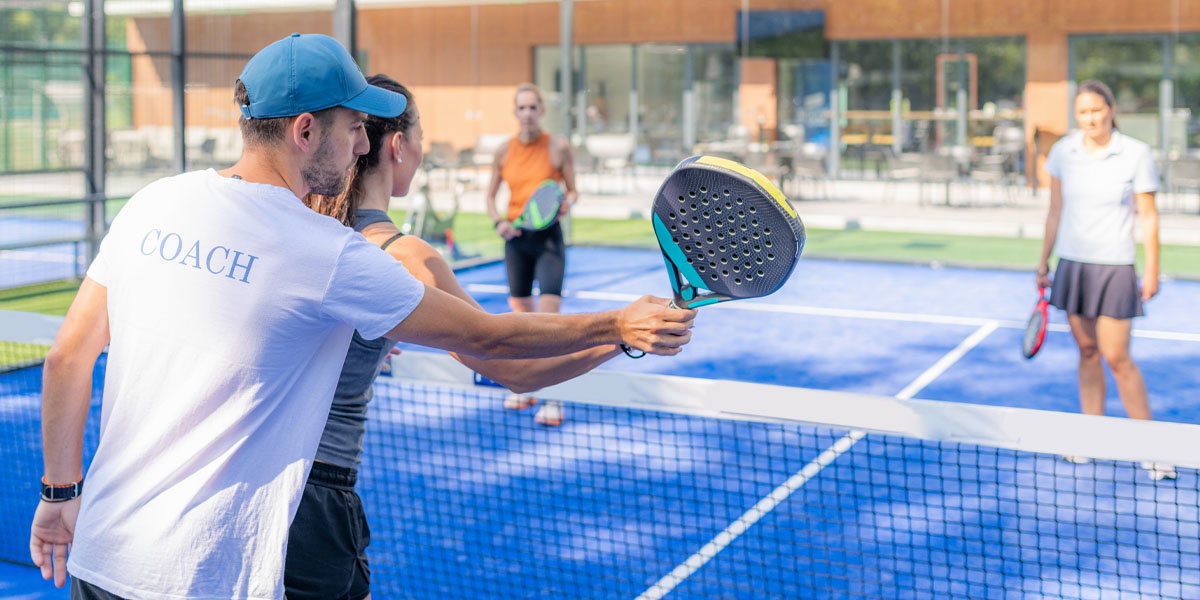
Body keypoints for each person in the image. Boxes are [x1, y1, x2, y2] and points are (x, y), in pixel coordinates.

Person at [29, 34, 696, 599]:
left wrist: (60, 494)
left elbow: (67, 357)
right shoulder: (328, 254)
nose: (360, 146)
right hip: (203, 570)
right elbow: (487, 338)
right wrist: (618, 326)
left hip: (102, 551)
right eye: (353, 127)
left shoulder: (156, 202)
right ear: (305, 130)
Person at [287, 74, 626, 600]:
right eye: (420, 136)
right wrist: (623, 332)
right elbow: (513, 365)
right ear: (399, 146)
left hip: (254, 479)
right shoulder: (406, 256)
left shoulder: (304, 227)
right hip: (318, 496)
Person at [1036, 79, 1174, 481]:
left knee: (1117, 357)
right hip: (1073, 266)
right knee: (1088, 352)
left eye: (1097, 110)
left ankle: (1152, 450)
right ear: (1076, 115)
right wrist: (1043, 262)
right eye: (1083, 112)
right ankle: (1092, 437)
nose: (1091, 118)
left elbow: (1148, 216)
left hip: (1115, 268)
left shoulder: (1135, 153)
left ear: (1111, 110)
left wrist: (1151, 269)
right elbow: (1054, 210)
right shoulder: (1063, 152)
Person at [486, 83, 578, 427]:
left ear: (541, 111)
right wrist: (500, 223)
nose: (527, 114)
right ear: (515, 112)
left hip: (549, 240)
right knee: (522, 322)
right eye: (521, 108)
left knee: (548, 322)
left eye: (533, 107)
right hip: (516, 241)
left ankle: (554, 399)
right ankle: (525, 386)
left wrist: (567, 202)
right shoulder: (503, 151)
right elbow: (490, 197)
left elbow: (572, 190)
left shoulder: (558, 148)